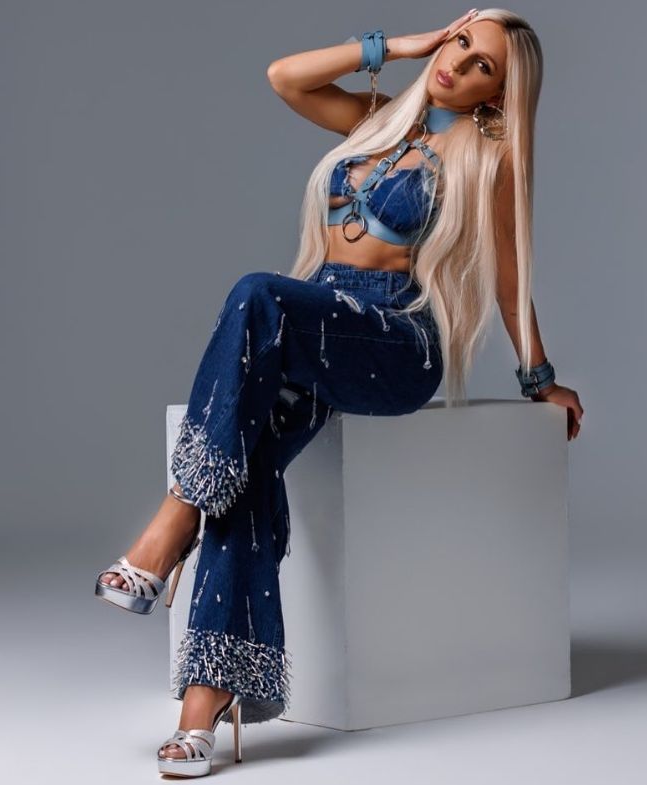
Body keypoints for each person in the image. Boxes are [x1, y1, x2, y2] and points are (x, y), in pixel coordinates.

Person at [94, 7, 584, 777]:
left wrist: (541, 380)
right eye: (460, 42)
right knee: (250, 467)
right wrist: (402, 46)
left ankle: (171, 523)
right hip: (314, 319)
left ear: (498, 93)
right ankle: (203, 710)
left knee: (257, 291)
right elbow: (284, 77)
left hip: (393, 340)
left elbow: (510, 275)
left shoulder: (489, 156)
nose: (458, 63)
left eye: (481, 64)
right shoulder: (380, 119)